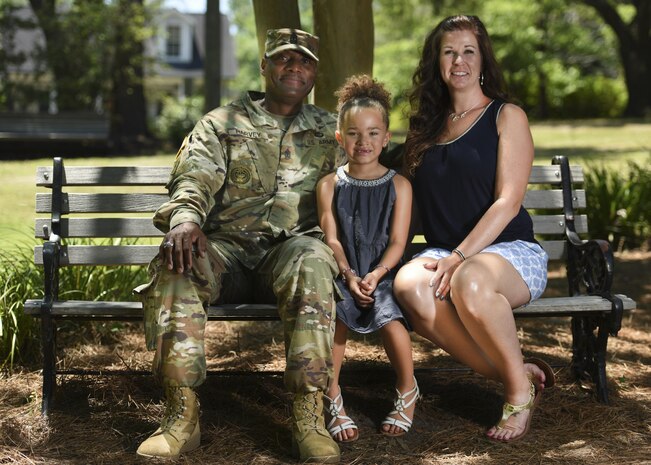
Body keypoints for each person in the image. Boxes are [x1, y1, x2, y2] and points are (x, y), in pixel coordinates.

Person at [134, 28, 345, 463]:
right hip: (225, 253)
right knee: (177, 261)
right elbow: (193, 177)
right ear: (264, 66)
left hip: (288, 256)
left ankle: (309, 416)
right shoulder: (222, 123)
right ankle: (181, 415)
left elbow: (375, 167)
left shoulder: (332, 133)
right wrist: (187, 218)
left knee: (312, 257)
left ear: (315, 73)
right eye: (284, 59)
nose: (294, 67)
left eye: (304, 61)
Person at [392, 15, 555, 443]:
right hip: (446, 251)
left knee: (470, 282)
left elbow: (508, 202)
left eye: (468, 51)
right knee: (408, 285)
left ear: (482, 60)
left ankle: (518, 396)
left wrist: (460, 256)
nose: (459, 60)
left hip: (510, 251)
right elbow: (408, 202)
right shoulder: (424, 127)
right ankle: (515, 372)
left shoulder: (506, 116)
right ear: (437, 63)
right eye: (449, 52)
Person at [316, 75, 416, 442]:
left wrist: (375, 275)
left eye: (374, 133)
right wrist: (347, 273)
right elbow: (331, 237)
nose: (364, 142)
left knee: (391, 319)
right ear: (340, 138)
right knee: (336, 317)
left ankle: (407, 391)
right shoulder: (329, 185)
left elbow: (398, 241)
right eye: (354, 133)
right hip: (344, 273)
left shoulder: (399, 185)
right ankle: (332, 395)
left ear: (387, 138)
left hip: (384, 273)